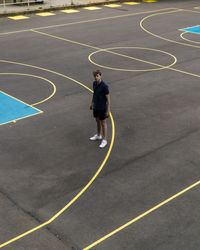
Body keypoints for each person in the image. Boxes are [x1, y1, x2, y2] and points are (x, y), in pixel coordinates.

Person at [90, 70, 110, 148]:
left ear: (100, 76)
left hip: (102, 107)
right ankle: (98, 135)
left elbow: (108, 100)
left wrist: (108, 110)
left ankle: (104, 140)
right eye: (95, 76)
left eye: (97, 76)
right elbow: (94, 93)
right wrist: (91, 103)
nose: (96, 77)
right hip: (96, 107)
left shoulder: (104, 86)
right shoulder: (94, 83)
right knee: (97, 121)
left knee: (103, 123)